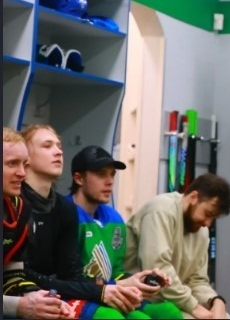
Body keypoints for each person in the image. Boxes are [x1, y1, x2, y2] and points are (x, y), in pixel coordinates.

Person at [21, 124, 144, 319]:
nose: (58, 151)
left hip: (58, 294)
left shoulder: (65, 208)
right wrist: (102, 291)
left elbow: (71, 275)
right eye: (47, 146)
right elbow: (21, 274)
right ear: (25, 158)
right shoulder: (15, 204)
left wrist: (114, 286)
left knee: (152, 313)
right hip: (22, 296)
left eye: (59, 146)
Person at [67, 145, 181, 319]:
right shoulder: (66, 215)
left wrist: (141, 279)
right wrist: (117, 285)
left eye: (112, 174)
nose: (110, 181)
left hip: (112, 290)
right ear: (79, 178)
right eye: (101, 174)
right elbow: (67, 278)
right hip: (78, 295)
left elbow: (117, 271)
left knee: (168, 312)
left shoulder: (114, 218)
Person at [124, 173, 230, 319]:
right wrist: (193, 307)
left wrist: (215, 301)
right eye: (208, 214)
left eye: (213, 218)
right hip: (140, 300)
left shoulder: (202, 231)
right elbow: (158, 269)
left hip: (173, 301)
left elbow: (197, 280)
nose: (208, 223)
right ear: (193, 197)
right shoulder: (161, 210)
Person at [3, 127, 69, 319]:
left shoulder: (19, 209)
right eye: (12, 164)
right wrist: (19, 306)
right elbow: (18, 307)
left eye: (24, 164)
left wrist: (37, 298)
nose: (22, 173)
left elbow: (12, 276)